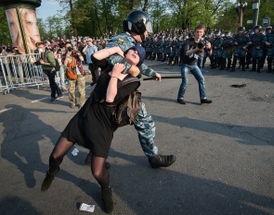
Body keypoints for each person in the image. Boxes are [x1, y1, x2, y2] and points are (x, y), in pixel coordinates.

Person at [40, 45, 146, 214]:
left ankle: (106, 190)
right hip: (84, 116)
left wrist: (116, 76)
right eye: (131, 50)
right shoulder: (112, 64)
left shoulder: (133, 81)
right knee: (55, 155)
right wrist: (116, 49)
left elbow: (110, 98)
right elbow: (96, 57)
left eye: (138, 54)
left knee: (97, 172)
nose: (134, 52)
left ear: (139, 61)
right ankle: (52, 172)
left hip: (102, 125)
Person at [90, 10, 176, 169]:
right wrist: (132, 70)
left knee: (111, 124)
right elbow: (112, 57)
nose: (148, 31)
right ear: (140, 25)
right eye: (146, 26)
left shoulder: (130, 42)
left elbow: (138, 64)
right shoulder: (122, 39)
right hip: (119, 91)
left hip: (121, 90)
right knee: (145, 123)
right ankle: (153, 157)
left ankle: (93, 154)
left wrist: (152, 73)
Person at [177, 24, 212, 105]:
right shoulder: (188, 41)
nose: (198, 34)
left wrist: (209, 48)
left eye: (200, 32)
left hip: (194, 65)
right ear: (194, 32)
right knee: (185, 82)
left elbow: (210, 54)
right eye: (197, 32)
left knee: (201, 80)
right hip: (185, 64)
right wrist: (197, 48)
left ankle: (203, 98)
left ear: (203, 33)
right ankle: (180, 97)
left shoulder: (203, 42)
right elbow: (186, 53)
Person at [63, 43, 86, 108]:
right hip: (71, 74)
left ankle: (82, 104)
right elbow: (64, 64)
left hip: (79, 73)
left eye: (69, 47)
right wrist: (68, 55)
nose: (69, 48)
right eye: (67, 47)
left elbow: (82, 59)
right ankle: (73, 102)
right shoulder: (65, 55)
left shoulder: (76, 52)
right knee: (71, 90)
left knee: (81, 90)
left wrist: (78, 54)